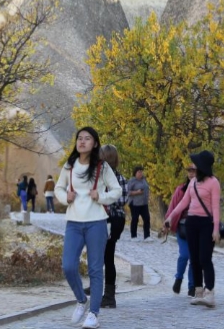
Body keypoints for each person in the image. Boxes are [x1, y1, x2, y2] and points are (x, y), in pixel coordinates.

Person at [54, 127, 122, 329]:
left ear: (95, 143)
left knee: (95, 269)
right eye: (79, 138)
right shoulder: (69, 166)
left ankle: (93, 313)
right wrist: (65, 198)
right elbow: (58, 188)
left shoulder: (102, 167)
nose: (82, 141)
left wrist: (101, 197)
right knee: (68, 266)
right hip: (74, 222)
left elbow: (117, 190)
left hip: (97, 222)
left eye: (87, 138)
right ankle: (81, 299)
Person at [164, 150, 221, 308]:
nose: (194, 167)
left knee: (205, 258)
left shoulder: (213, 182)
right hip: (191, 222)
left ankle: (209, 292)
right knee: (194, 259)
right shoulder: (193, 182)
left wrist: (215, 228)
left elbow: (216, 208)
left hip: (206, 224)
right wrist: (171, 217)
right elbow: (183, 203)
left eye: (196, 164)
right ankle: (198, 292)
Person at [84, 144, 128, 308]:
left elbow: (120, 201)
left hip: (110, 219)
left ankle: (109, 295)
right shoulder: (115, 178)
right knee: (100, 254)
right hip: (107, 218)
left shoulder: (110, 179)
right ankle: (98, 287)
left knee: (106, 255)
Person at [164, 163, 196, 297]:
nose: (191, 173)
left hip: (196, 227)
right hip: (182, 227)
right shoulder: (181, 190)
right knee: (184, 255)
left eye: (194, 171)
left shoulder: (202, 190)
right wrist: (167, 222)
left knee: (194, 258)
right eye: (189, 171)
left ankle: (192, 286)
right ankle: (178, 278)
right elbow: (173, 207)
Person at [127, 166, 151, 241]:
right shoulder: (132, 181)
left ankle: (147, 236)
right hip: (135, 203)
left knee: (147, 218)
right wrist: (137, 192)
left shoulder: (144, 180)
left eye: (141, 171)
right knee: (135, 219)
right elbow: (127, 192)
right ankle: (133, 236)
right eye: (139, 172)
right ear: (135, 173)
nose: (141, 173)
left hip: (144, 203)